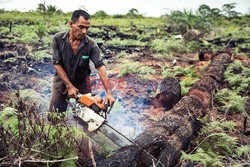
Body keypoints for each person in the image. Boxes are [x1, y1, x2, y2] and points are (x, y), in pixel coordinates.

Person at [49, 10, 115, 113]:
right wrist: (69, 86)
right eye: (81, 27)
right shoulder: (58, 39)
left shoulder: (90, 45)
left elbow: (100, 67)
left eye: (87, 28)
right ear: (71, 24)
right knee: (55, 117)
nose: (84, 31)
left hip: (82, 85)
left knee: (89, 118)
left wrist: (109, 93)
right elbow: (57, 64)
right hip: (61, 84)